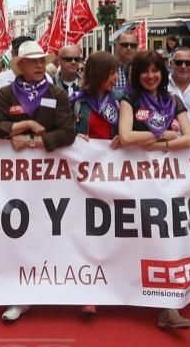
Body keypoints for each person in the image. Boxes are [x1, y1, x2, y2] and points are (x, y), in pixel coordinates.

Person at [0, 40, 76, 322]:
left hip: (48, 179)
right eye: (33, 61)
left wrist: (33, 141)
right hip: (11, 181)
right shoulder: (5, 93)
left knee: (46, 233)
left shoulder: (56, 93)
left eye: (42, 60)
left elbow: (67, 132)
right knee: (15, 234)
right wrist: (25, 125)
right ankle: (19, 295)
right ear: (20, 66)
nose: (39, 65)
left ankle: (49, 285)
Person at [117, 50, 190, 329]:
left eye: (155, 71)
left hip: (168, 183)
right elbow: (125, 137)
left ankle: (167, 307)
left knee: (165, 237)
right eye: (144, 71)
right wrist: (162, 134)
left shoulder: (173, 100)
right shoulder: (129, 99)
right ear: (136, 75)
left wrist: (156, 144)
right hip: (134, 182)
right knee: (134, 239)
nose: (150, 76)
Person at [71, 51, 121, 317]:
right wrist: (74, 136)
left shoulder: (122, 101)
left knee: (110, 233)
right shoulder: (76, 103)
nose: (116, 77)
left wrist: (124, 137)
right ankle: (88, 293)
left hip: (112, 178)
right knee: (87, 233)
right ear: (100, 73)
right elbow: (65, 132)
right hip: (83, 180)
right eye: (112, 73)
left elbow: (132, 130)